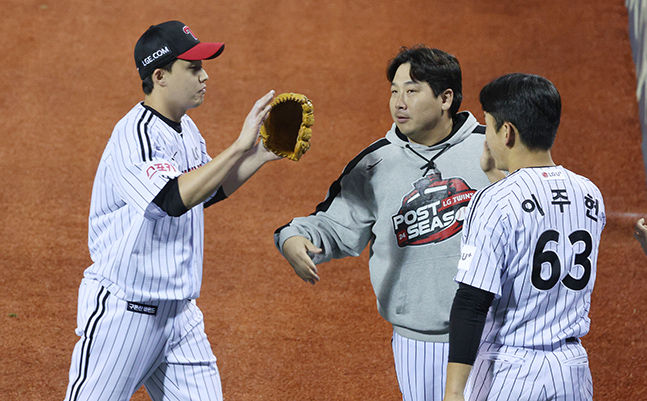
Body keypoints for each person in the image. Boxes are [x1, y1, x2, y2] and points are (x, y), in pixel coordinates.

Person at [64, 20, 282, 401]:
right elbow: (168, 200)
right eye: (194, 67)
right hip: (125, 315)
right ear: (160, 75)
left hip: (180, 316)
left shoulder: (185, 129)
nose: (205, 75)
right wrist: (236, 147)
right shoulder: (137, 134)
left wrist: (262, 153)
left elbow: (205, 192)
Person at [273, 45, 502, 401]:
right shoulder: (374, 165)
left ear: (445, 98)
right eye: (394, 90)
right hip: (418, 343)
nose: (399, 102)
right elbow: (333, 225)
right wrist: (292, 237)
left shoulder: (492, 148)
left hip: (494, 334)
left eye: (411, 91)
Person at [443, 73, 606, 401]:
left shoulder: (493, 201)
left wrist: (454, 391)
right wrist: (496, 175)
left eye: (487, 126)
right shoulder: (590, 195)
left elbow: (472, 302)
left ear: (507, 132)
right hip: (571, 371)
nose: (485, 137)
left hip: (513, 372)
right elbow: (538, 214)